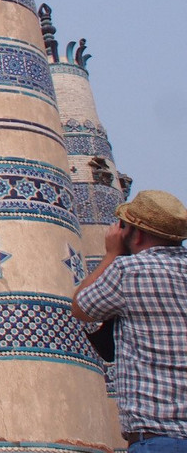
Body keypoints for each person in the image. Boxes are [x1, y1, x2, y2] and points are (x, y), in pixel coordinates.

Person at [73, 189, 187, 450]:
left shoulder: (129, 272)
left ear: (137, 234)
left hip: (159, 437)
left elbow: (81, 306)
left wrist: (112, 254)